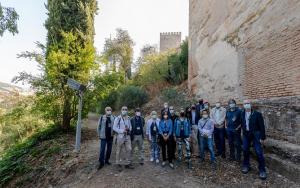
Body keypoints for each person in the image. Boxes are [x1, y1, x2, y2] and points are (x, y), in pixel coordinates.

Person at [241, 100, 267, 180]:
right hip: (246, 134)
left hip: (256, 134)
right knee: (245, 149)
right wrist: (242, 132)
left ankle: (262, 170)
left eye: (248, 103)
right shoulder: (242, 114)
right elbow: (242, 123)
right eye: (245, 103)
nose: (246, 105)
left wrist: (262, 137)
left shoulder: (257, 114)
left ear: (250, 105)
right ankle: (246, 165)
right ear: (243, 105)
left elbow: (262, 126)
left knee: (258, 151)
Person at [113, 106, 134, 171]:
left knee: (129, 149)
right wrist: (122, 131)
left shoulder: (128, 118)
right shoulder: (118, 118)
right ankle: (118, 163)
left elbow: (130, 127)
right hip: (120, 136)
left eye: (125, 109)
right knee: (119, 150)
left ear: (127, 110)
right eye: (123, 109)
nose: (124, 110)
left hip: (127, 136)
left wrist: (128, 129)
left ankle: (127, 163)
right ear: (121, 110)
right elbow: (114, 127)